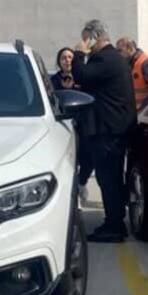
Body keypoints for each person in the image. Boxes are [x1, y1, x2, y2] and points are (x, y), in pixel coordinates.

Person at [72, 20, 137, 243]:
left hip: (108, 131)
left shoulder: (105, 59)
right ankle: (115, 222)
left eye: (86, 38)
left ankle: (114, 226)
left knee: (108, 179)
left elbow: (82, 75)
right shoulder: (113, 59)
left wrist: (79, 53)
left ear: (94, 37)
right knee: (111, 178)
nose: (84, 42)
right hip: (113, 129)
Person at [52, 47, 93, 205]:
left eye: (70, 57)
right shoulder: (54, 80)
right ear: (59, 61)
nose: (67, 60)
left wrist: (73, 88)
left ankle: (82, 181)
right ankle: (70, 192)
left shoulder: (82, 77)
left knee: (87, 157)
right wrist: (63, 89)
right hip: (62, 124)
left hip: (83, 123)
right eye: (64, 58)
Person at [115, 38, 148, 110]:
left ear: (130, 49)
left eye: (120, 51)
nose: (118, 54)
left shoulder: (146, 63)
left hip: (144, 111)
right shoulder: (128, 64)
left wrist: (146, 107)